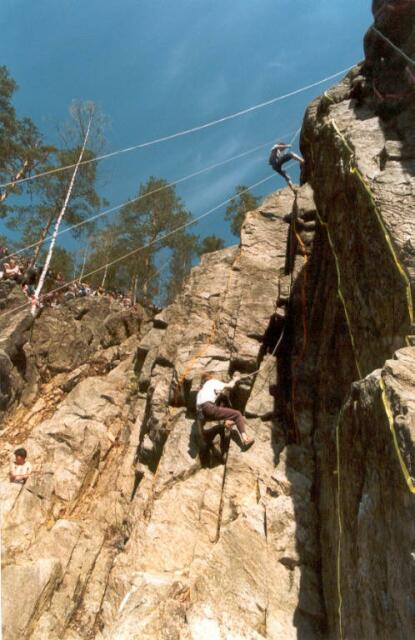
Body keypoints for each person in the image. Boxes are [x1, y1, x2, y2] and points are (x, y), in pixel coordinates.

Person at [196, 372, 255, 450]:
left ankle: (226, 423)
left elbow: (199, 416)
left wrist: (200, 435)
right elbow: (230, 386)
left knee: (221, 399)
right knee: (237, 414)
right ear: (210, 379)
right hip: (209, 408)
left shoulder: (200, 392)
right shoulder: (212, 382)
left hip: (203, 414)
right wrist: (235, 379)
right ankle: (245, 439)